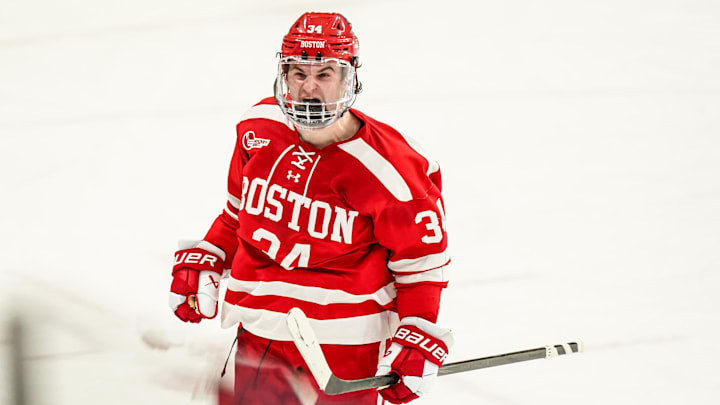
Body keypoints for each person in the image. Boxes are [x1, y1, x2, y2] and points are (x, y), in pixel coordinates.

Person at [169, 12, 453, 405]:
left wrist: (418, 336)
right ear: (283, 76)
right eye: (298, 74)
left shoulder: (393, 172)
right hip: (259, 332)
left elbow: (421, 267)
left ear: (348, 77)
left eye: (324, 74)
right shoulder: (257, 129)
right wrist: (211, 252)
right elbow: (238, 214)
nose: (309, 88)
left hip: (344, 350)